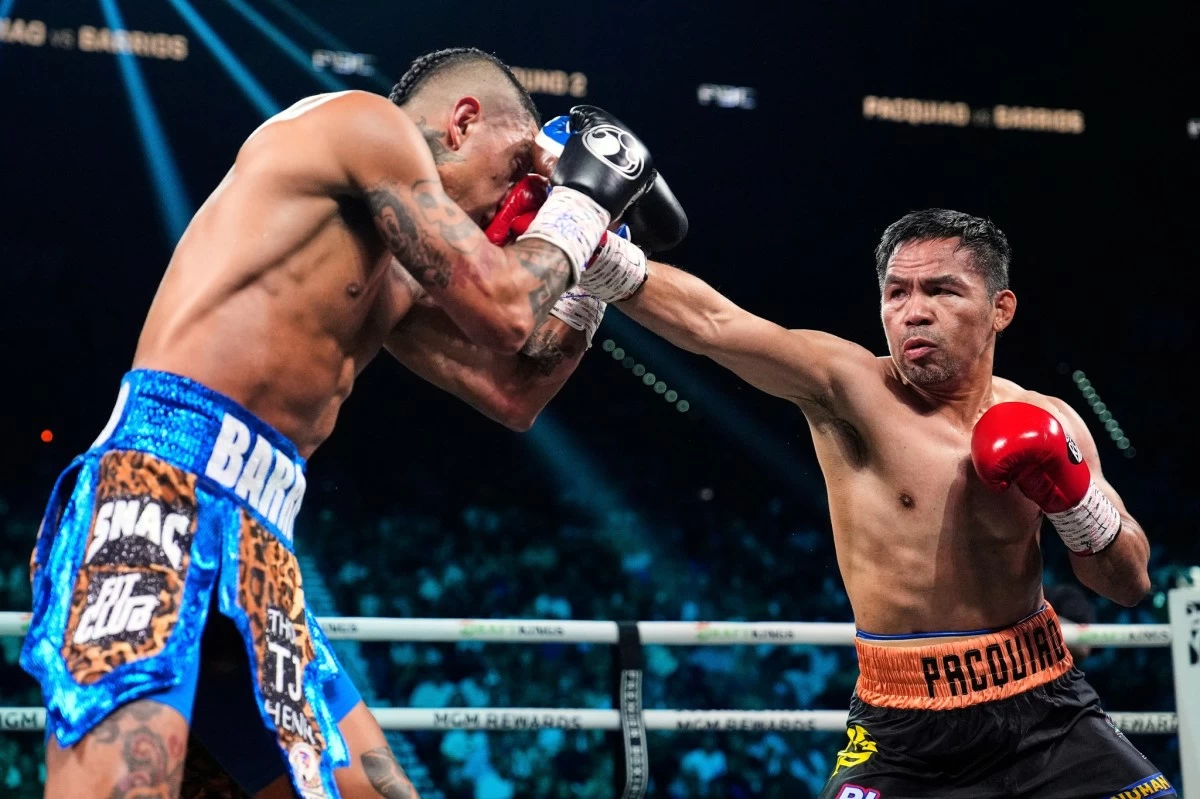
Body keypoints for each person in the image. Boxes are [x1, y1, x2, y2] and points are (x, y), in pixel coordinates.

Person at [20, 47, 663, 799]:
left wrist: (588, 270)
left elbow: (515, 391)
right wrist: (578, 204)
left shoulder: (391, 273)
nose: (516, 200)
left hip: (260, 540)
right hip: (158, 489)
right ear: (462, 122)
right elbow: (505, 307)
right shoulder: (364, 123)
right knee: (129, 785)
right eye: (519, 167)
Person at [600, 208, 1173, 796]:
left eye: (942, 290)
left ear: (1000, 309)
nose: (913, 311)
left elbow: (1128, 584)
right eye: (897, 293)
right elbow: (714, 323)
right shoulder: (850, 388)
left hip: (1048, 709)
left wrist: (1074, 501)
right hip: (903, 731)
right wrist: (597, 252)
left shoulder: (1051, 418)